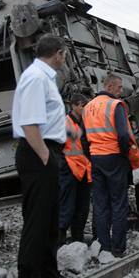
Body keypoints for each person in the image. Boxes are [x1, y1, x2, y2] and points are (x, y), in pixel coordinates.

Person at [12, 34, 83, 278]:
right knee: (37, 224)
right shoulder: (36, 78)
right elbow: (29, 124)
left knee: (50, 224)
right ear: (58, 54)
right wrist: (45, 157)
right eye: (64, 55)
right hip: (38, 153)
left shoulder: (44, 77)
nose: (64, 59)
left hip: (47, 152)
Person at [84, 74, 137, 263]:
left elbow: (84, 137)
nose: (121, 91)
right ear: (111, 86)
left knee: (100, 203)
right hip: (114, 157)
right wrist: (124, 155)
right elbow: (123, 135)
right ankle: (118, 248)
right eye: (120, 87)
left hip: (96, 158)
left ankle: (103, 245)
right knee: (118, 203)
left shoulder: (88, 107)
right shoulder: (115, 105)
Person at [58, 93, 93, 245]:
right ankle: (59, 241)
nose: (85, 109)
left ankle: (77, 238)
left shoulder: (83, 123)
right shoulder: (65, 123)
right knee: (67, 207)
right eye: (82, 106)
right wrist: (64, 168)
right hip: (70, 171)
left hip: (83, 171)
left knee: (82, 207)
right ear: (74, 106)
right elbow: (58, 149)